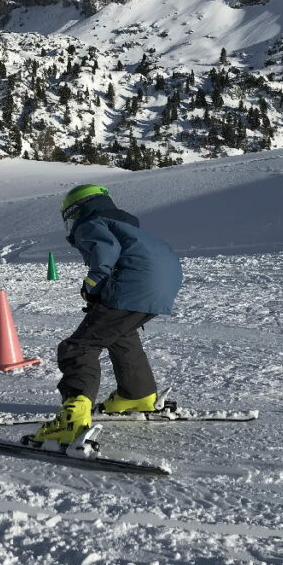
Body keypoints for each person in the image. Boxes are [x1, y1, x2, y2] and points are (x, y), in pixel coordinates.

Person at [32, 184, 183, 444]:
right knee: (120, 334)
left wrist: (93, 284)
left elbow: (106, 250)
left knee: (79, 347)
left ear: (76, 210)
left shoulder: (90, 222)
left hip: (134, 285)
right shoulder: (126, 225)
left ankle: (72, 420)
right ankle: (137, 395)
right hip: (162, 285)